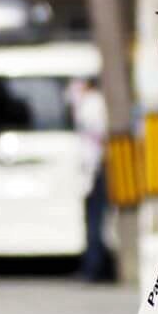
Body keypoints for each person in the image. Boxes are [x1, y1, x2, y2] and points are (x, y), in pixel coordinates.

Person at [69, 76, 112, 282]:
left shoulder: (91, 104)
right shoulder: (92, 102)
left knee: (94, 219)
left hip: (94, 169)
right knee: (94, 219)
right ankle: (93, 265)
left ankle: (94, 267)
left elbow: (95, 137)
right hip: (93, 168)